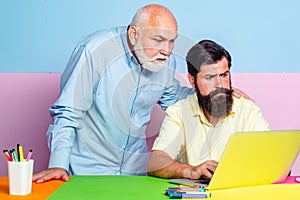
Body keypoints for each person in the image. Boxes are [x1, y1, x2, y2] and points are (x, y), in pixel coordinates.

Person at [33, 4, 249, 183]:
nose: (167, 50)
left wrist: (215, 91)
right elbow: (68, 112)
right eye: (158, 40)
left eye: (172, 41)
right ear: (134, 34)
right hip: (87, 172)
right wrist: (58, 165)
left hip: (135, 174)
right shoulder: (94, 50)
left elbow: (173, 98)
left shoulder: (165, 62)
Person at [147, 39, 270, 180]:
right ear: (192, 81)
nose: (219, 85)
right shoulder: (178, 112)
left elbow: (273, 160)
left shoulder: (249, 111)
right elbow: (155, 162)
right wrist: (190, 171)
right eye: (209, 77)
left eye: (224, 75)